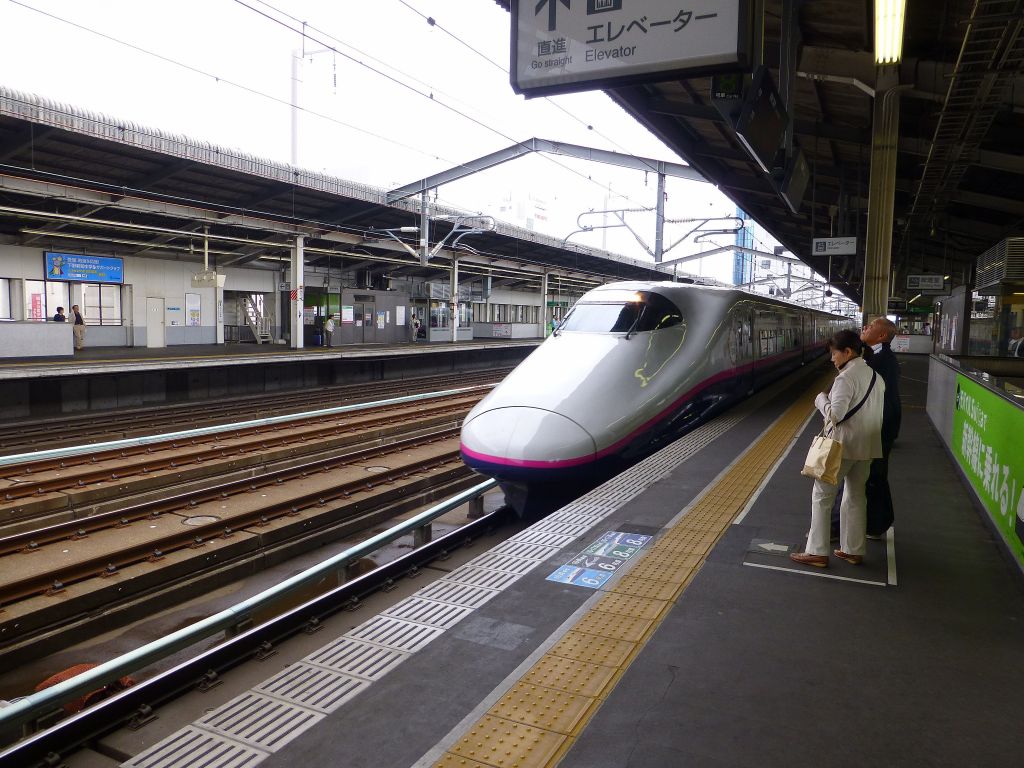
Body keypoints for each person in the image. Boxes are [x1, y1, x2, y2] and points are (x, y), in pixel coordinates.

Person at [791, 329, 885, 568]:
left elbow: (836, 415)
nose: (832, 358)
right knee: (855, 497)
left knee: (822, 497)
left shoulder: (845, 378)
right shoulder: (876, 377)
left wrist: (820, 399)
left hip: (842, 447)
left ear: (848, 352)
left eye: (834, 353)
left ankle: (817, 551)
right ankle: (853, 549)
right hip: (867, 447)